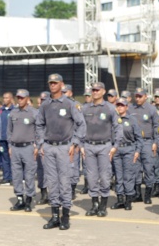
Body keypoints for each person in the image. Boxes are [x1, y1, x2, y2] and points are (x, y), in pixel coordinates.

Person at [36, 74, 85, 230]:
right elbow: (39, 124)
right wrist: (41, 143)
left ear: (62, 84)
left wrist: (75, 143)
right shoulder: (45, 105)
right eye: (50, 83)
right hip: (49, 147)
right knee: (52, 181)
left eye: (55, 83)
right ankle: (55, 216)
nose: (52, 85)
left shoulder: (70, 104)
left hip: (65, 147)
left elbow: (81, 124)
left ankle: (65, 216)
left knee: (64, 182)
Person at [81, 82, 122, 217]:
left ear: (103, 92)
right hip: (89, 146)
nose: (95, 92)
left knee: (105, 177)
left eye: (98, 90)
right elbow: (79, 128)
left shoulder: (110, 108)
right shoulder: (85, 108)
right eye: (93, 90)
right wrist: (81, 145)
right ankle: (94, 205)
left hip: (105, 146)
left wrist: (115, 146)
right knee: (91, 178)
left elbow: (118, 127)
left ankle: (103, 205)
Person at [129, 88, 159, 204]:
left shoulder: (152, 109)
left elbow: (157, 127)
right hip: (134, 142)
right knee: (135, 169)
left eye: (140, 96)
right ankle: (137, 194)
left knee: (149, 169)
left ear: (145, 97)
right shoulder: (130, 108)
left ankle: (148, 195)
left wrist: (155, 142)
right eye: (136, 96)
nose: (137, 98)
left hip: (147, 142)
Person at [7, 89, 38, 212]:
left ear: (27, 98)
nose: (20, 100)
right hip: (15, 147)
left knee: (29, 175)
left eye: (22, 98)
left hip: (28, 147)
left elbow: (40, 130)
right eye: (18, 98)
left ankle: (29, 200)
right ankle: (20, 199)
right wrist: (10, 145)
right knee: (16, 175)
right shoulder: (13, 113)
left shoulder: (34, 113)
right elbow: (9, 131)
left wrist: (37, 145)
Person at [111, 98, 142, 210]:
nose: (120, 107)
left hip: (129, 149)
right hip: (116, 150)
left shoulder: (132, 120)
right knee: (118, 176)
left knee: (128, 176)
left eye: (122, 105)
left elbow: (139, 137)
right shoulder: (113, 119)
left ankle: (128, 200)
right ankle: (120, 199)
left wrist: (137, 151)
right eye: (118, 105)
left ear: (126, 107)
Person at [36, 91, 50, 205]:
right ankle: (44, 194)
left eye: (45, 100)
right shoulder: (37, 113)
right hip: (40, 146)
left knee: (54, 172)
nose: (43, 102)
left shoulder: (54, 113)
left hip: (53, 146)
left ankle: (56, 195)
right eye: (42, 100)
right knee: (41, 171)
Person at [0, 91, 15, 185]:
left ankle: (13, 177)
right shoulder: (0, 110)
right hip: (2, 139)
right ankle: (6, 177)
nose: (5, 99)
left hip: (12, 139)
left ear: (11, 99)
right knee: (4, 159)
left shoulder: (15, 110)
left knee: (12, 159)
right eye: (4, 98)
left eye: (7, 98)